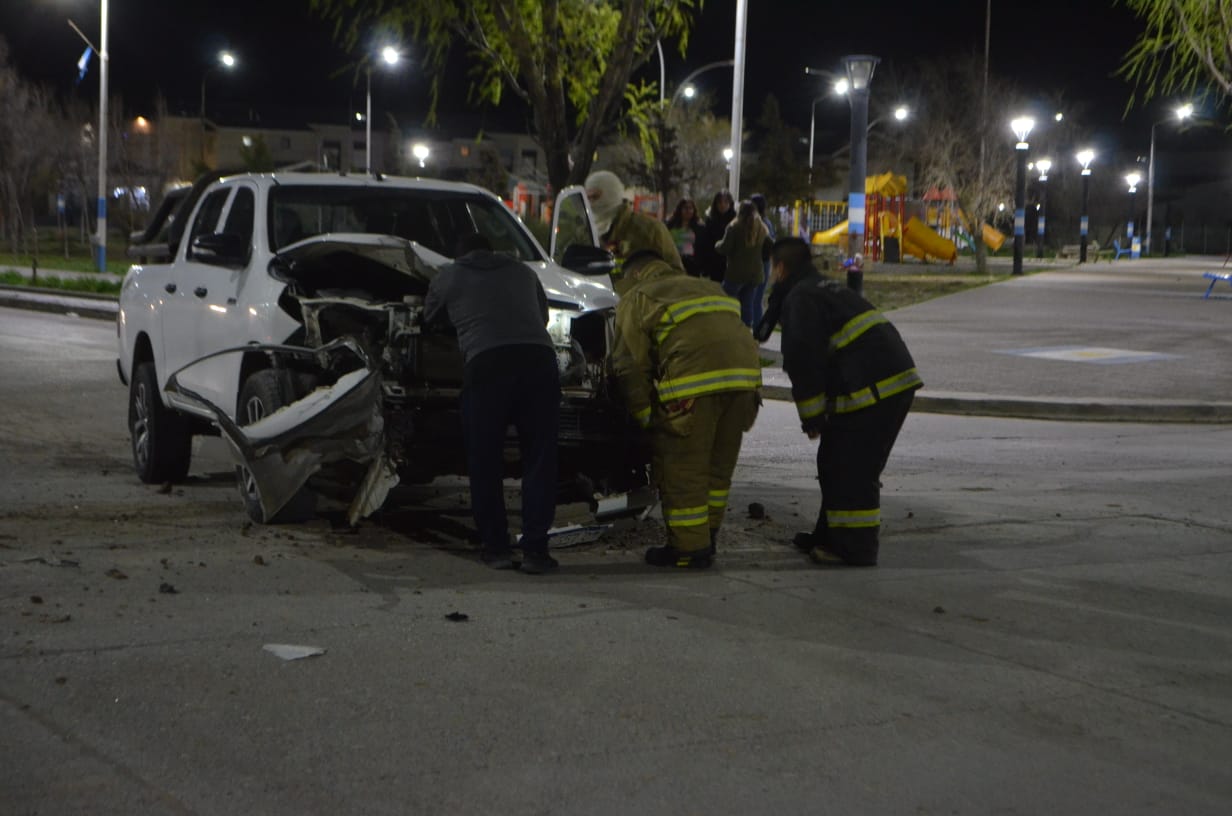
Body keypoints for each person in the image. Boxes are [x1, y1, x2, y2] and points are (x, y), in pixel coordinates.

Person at [755, 237, 922, 567]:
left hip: (873, 386)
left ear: (780, 268)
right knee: (834, 460)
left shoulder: (801, 298)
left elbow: (803, 360)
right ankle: (829, 537)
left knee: (853, 468)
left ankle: (854, 549)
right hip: (881, 380)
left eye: (772, 269)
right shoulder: (818, 288)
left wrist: (812, 418)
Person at [610, 250, 762, 569]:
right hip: (745, 382)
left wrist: (645, 417)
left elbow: (628, 367)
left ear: (635, 274)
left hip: (693, 386)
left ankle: (688, 549)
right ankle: (707, 535)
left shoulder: (638, 297)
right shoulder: (706, 287)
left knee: (683, 467)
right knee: (718, 468)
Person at [424, 233, 561, 574]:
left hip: (487, 367)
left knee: (485, 459)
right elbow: (542, 318)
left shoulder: (450, 275)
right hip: (540, 362)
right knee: (539, 459)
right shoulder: (523, 272)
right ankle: (535, 552)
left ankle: (497, 548)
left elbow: (429, 319)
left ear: (460, 254)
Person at [584, 171, 684, 279]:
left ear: (611, 194)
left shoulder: (649, 229)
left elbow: (676, 274)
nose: (591, 204)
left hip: (640, 294)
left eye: (595, 197)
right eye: (588, 199)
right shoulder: (584, 233)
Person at [715, 200, 772, 327]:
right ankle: (746, 330)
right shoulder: (762, 228)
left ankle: (728, 327)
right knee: (747, 304)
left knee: (727, 301)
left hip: (736, 274)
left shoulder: (734, 227)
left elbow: (725, 248)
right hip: (755, 274)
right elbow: (770, 246)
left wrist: (717, 245)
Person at [749, 193, 776, 327]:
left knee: (755, 299)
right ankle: (757, 328)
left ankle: (757, 329)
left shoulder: (761, 223)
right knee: (756, 298)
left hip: (759, 262)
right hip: (763, 262)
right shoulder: (767, 222)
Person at [697, 190, 735, 283]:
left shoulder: (735, 220)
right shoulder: (710, 220)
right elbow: (706, 243)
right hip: (715, 262)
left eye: (726, 202)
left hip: (732, 263)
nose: (722, 205)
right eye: (720, 202)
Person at [665, 197, 706, 278]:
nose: (688, 211)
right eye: (685, 208)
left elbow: (702, 248)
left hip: (692, 266)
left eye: (690, 208)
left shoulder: (699, 227)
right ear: (680, 209)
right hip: (674, 264)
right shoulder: (671, 225)